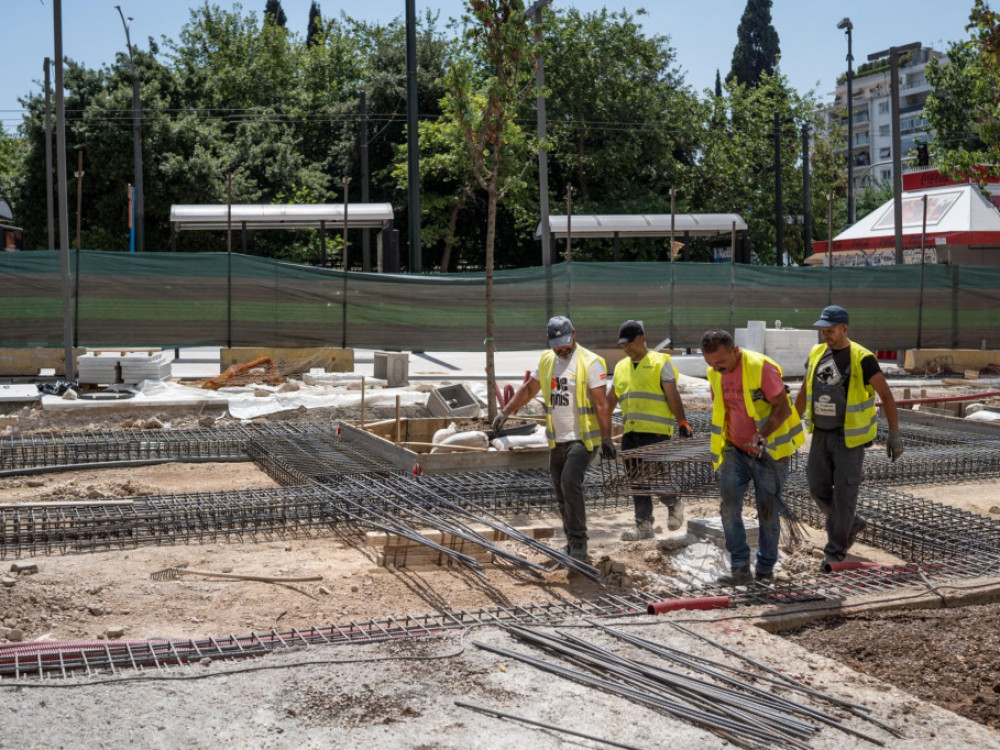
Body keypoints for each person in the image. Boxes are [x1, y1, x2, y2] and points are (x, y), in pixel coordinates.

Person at [493, 316, 615, 562]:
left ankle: (580, 544)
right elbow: (529, 389)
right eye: (557, 344)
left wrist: (607, 438)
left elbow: (602, 403)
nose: (562, 348)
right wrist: (506, 411)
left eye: (565, 342)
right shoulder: (548, 360)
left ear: (574, 335)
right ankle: (571, 543)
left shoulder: (590, 363)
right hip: (556, 440)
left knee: (571, 483)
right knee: (561, 491)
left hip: (582, 439)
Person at [794, 305, 903, 567]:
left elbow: (886, 396)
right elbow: (803, 390)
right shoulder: (817, 353)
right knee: (816, 487)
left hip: (849, 439)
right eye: (823, 331)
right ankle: (850, 524)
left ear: (845, 329)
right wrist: (789, 424)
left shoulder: (862, 358)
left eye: (830, 331)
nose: (826, 335)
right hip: (821, 434)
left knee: (844, 495)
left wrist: (895, 434)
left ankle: (836, 549)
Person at [701, 330, 804, 586]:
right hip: (735, 450)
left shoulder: (761, 368)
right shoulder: (715, 373)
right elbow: (724, 409)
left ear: (734, 351)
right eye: (711, 364)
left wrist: (763, 435)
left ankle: (765, 570)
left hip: (771, 454)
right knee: (728, 508)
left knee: (768, 511)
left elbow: (782, 407)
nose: (716, 368)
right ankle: (739, 569)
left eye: (721, 362)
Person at [606, 320, 693, 541]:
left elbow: (673, 395)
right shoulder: (620, 367)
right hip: (631, 431)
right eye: (622, 345)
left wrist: (682, 421)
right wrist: (600, 427)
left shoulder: (660, 362)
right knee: (636, 480)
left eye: (630, 343)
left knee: (653, 477)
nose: (626, 348)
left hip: (656, 431)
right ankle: (644, 526)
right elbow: (609, 401)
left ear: (642, 339)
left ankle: (673, 502)